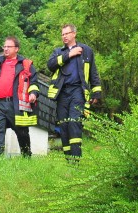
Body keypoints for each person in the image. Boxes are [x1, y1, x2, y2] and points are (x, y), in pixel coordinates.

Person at [47, 24, 102, 161]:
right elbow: (50, 65)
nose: (64, 36)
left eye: (67, 33)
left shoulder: (86, 51)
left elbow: (93, 73)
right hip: (62, 92)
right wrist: (69, 55)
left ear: (74, 34)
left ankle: (76, 159)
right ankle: (69, 160)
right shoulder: (58, 52)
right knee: (63, 124)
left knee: (74, 122)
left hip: (78, 91)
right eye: (62, 34)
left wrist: (96, 93)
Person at [0, 37, 39, 157]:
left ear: (16, 49)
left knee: (22, 133)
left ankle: (26, 157)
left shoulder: (25, 65)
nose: (5, 49)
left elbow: (34, 83)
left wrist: (33, 94)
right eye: (4, 46)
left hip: (16, 105)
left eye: (8, 47)